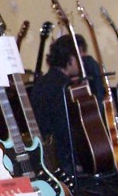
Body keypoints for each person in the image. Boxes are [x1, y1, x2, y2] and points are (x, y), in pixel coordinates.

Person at [29, 34, 82, 176]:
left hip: (45, 155)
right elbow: (64, 127)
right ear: (71, 59)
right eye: (79, 58)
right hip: (63, 160)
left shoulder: (41, 83)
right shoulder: (65, 87)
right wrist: (78, 160)